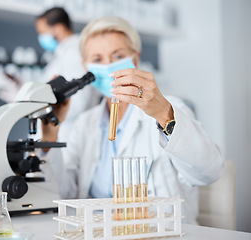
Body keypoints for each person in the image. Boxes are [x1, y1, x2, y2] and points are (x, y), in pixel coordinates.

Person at [40, 16, 224, 224]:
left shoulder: (170, 107)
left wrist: (164, 113)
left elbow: (210, 171)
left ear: (135, 58)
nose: (109, 66)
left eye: (117, 56)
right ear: (85, 66)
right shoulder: (85, 124)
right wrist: (49, 136)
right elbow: (63, 194)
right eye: (98, 59)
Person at [34, 7, 101, 142]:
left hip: (69, 135)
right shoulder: (62, 53)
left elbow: (78, 102)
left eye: (43, 32)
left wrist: (45, 109)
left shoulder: (75, 53)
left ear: (58, 28)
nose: (41, 38)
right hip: (60, 132)